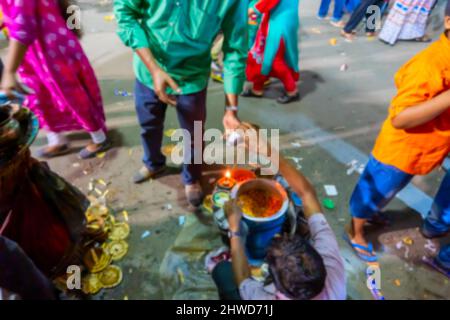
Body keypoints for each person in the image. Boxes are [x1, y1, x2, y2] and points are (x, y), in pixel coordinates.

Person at [114, 0, 247, 206]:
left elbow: (235, 51)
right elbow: (125, 14)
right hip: (148, 71)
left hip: (191, 79)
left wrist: (231, 110)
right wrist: (153, 68)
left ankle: (192, 177)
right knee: (148, 124)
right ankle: (153, 163)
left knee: (193, 135)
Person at [345, 3, 450, 262]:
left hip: (420, 150)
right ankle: (355, 230)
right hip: (398, 151)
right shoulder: (430, 64)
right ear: (448, 22)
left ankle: (372, 213)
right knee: (372, 194)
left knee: (389, 191)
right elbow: (402, 118)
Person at [208, 149, 346, 300]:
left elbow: (243, 278)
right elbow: (307, 194)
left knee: (222, 272)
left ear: (276, 286)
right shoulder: (333, 264)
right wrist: (268, 150)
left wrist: (234, 229)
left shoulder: (263, 297)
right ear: (319, 257)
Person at [0, 0, 109, 159]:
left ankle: (99, 138)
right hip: (37, 52)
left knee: (71, 95)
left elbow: (23, 27)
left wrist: (9, 72)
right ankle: (56, 139)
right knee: (39, 95)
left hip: (50, 51)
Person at [242, 0, 300, 104]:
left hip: (279, 22)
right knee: (262, 56)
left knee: (273, 59)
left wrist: (251, 10)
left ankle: (292, 90)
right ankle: (257, 89)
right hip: (275, 19)